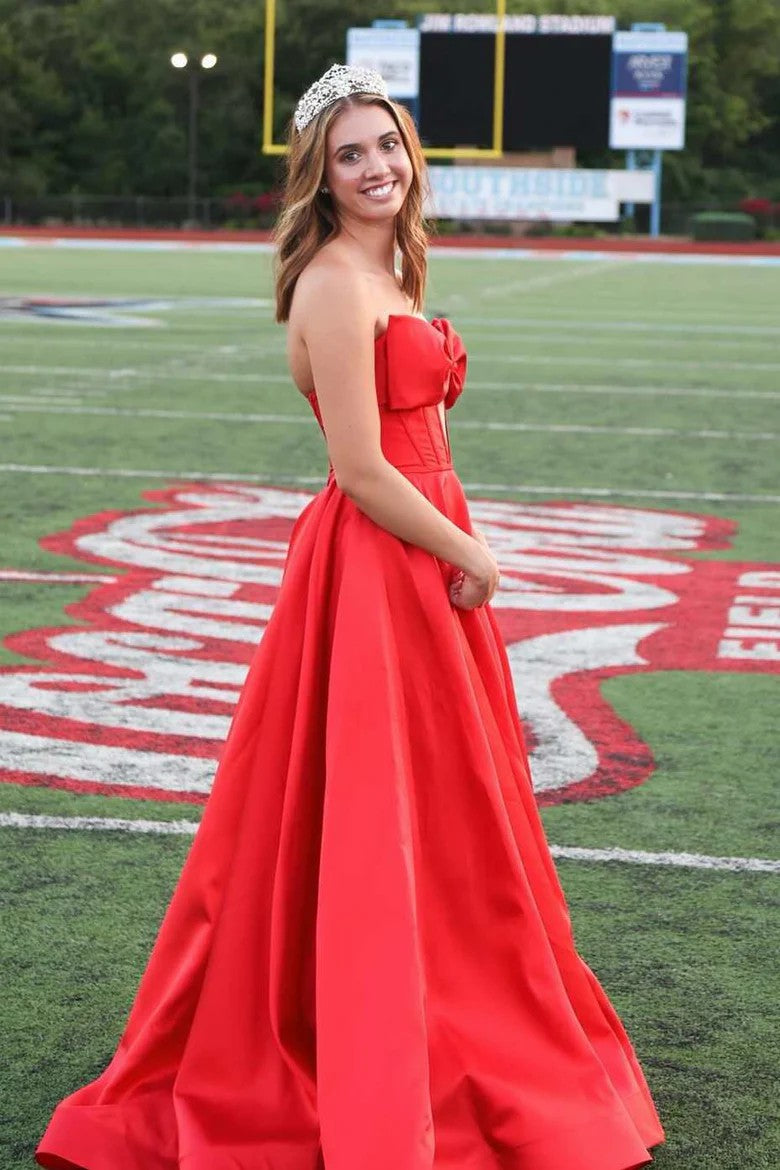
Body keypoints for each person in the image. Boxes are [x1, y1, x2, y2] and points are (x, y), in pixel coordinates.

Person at [35, 63, 665, 1170]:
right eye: (350, 154)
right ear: (319, 178)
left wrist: (456, 546)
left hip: (420, 546)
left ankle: (446, 1005)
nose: (376, 167)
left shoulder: (393, 264)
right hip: (383, 557)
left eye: (388, 146)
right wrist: (472, 552)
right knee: (379, 803)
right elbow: (362, 467)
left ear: (412, 154)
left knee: (446, 801)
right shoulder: (334, 279)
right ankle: (367, 1036)